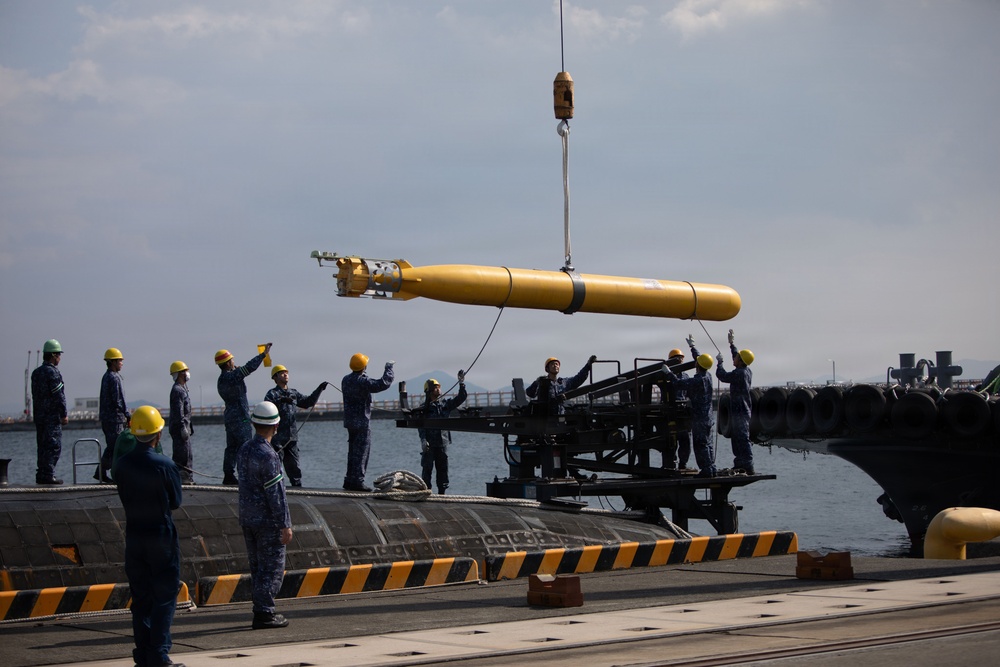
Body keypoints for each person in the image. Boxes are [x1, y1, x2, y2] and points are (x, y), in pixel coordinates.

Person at [114, 405, 185, 667]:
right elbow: (176, 501)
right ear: (158, 434)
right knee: (164, 595)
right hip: (160, 536)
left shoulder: (121, 465)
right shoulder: (165, 464)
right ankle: (159, 653)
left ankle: (143, 653)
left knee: (140, 597)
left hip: (134, 536)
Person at [237, 401, 292, 630]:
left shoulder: (244, 449)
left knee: (257, 567)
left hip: (247, 518)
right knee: (271, 568)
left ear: (254, 423)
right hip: (267, 521)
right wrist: (285, 524)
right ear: (276, 425)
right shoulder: (269, 456)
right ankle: (265, 613)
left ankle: (260, 608)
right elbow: (276, 494)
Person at [216, 344, 271, 485]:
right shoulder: (233, 376)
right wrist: (263, 355)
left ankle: (228, 474)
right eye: (232, 360)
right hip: (241, 418)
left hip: (229, 418)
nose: (234, 361)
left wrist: (237, 372)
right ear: (228, 363)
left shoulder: (221, 379)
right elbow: (249, 368)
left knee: (231, 448)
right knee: (246, 447)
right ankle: (246, 477)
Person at [264, 365, 328, 487]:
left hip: (292, 438)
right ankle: (274, 488)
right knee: (275, 467)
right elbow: (267, 408)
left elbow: (307, 402)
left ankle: (297, 488)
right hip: (277, 438)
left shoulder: (293, 393)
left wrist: (319, 389)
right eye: (281, 373)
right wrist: (281, 400)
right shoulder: (272, 394)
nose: (285, 374)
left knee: (294, 468)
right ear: (275, 377)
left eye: (286, 372)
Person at [341, 353, 394, 492]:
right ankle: (358, 481)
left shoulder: (345, 380)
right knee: (362, 452)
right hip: (362, 422)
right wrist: (389, 368)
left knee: (352, 452)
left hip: (350, 422)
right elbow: (382, 384)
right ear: (364, 366)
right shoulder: (362, 381)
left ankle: (349, 479)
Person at [665, 353, 717, 478]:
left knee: (700, 445)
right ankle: (711, 468)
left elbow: (678, 384)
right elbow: (704, 361)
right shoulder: (708, 376)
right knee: (708, 444)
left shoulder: (697, 380)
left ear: (698, 364)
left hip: (700, 418)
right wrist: (693, 349)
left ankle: (706, 470)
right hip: (708, 417)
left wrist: (668, 373)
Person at [418, 372, 468, 494]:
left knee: (443, 470)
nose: (438, 389)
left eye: (439, 387)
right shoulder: (424, 409)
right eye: (436, 387)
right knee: (427, 469)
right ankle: (426, 492)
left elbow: (460, 398)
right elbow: (421, 426)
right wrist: (423, 440)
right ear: (429, 391)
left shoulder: (445, 405)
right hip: (429, 445)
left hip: (442, 444)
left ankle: (442, 493)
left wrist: (461, 383)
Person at [716, 329, 755, 475]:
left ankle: (747, 464)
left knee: (742, 438)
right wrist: (732, 345)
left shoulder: (739, 373)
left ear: (741, 360)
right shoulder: (746, 370)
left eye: (737, 357)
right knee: (738, 439)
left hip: (740, 411)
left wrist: (719, 363)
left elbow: (722, 375)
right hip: (742, 410)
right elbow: (737, 358)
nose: (735, 358)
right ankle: (741, 464)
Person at [31, 339, 68, 485]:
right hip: (51, 418)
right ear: (53, 355)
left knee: (42, 445)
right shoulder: (53, 373)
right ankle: (48, 474)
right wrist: (64, 414)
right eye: (59, 354)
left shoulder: (36, 373)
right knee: (53, 446)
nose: (60, 357)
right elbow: (59, 396)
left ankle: (41, 473)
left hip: (39, 417)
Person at [98, 347, 130, 484]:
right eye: (120, 361)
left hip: (107, 419)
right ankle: (103, 472)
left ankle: (101, 472)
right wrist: (127, 414)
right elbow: (118, 399)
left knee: (111, 446)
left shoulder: (106, 376)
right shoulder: (114, 378)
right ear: (113, 362)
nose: (122, 363)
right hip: (114, 419)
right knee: (115, 446)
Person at [525, 355, 596, 415]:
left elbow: (578, 379)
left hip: (560, 416)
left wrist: (588, 365)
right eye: (552, 364)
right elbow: (530, 393)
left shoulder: (563, 383)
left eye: (557, 364)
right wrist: (537, 382)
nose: (555, 365)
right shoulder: (542, 383)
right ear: (547, 368)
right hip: (546, 418)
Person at [663, 345, 691, 470]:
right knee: (671, 441)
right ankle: (670, 464)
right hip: (670, 411)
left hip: (683, 411)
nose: (680, 361)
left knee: (685, 441)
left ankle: (683, 464)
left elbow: (689, 392)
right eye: (677, 358)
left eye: (681, 358)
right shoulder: (665, 376)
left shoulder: (685, 376)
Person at [168, 361, 194, 485]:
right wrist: (183, 427)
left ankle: (187, 478)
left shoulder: (182, 389)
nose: (187, 373)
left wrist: (190, 427)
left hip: (184, 427)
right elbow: (179, 412)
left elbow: (186, 411)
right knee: (182, 456)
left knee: (187, 454)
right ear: (179, 374)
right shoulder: (178, 390)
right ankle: (181, 479)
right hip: (179, 429)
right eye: (185, 371)